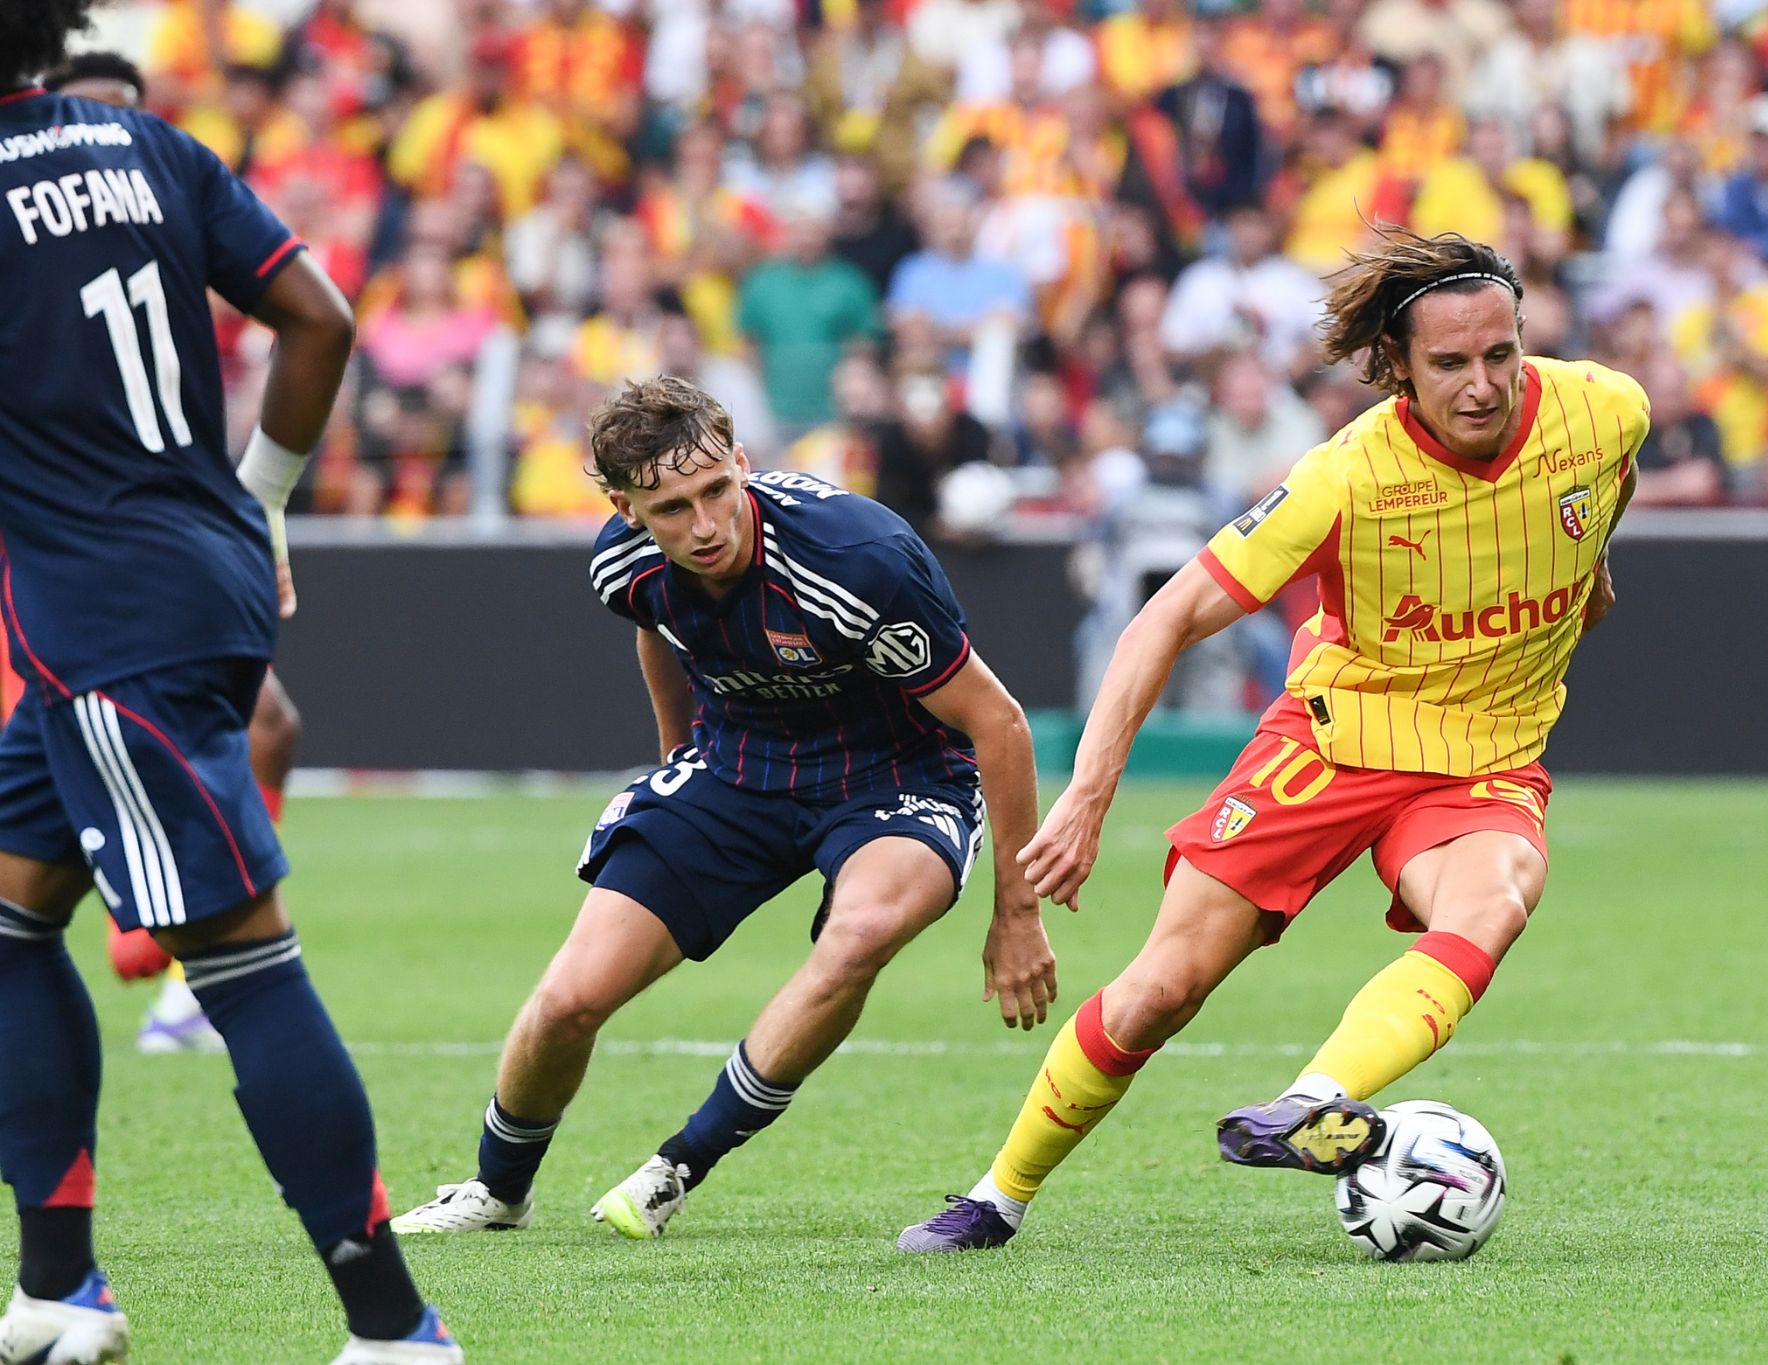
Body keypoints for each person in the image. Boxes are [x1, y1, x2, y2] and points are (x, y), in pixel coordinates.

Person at [898, 227, 1646, 1252]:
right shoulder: (1344, 477)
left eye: (1499, 354)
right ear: (1394, 368)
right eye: (1448, 364)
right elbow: (1162, 617)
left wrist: (1588, 575)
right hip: (1333, 741)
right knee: (1162, 987)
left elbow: (1601, 496)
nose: (1482, 385)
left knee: (1493, 899)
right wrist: (1087, 792)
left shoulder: (1605, 411)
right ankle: (997, 1195)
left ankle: (1314, 1103)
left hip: (1482, 756)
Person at [0, 6, 459, 1363]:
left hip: (105, 624)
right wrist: (258, 505)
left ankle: (393, 1327)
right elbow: (316, 316)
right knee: (11, 916)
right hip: (195, 571)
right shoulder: (148, 144)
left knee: (242, 960)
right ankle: (56, 1287)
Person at [392, 375, 1054, 1242]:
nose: (705, 526)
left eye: (716, 490)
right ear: (627, 509)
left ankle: (677, 1166)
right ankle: (495, 1189)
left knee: (856, 937)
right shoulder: (620, 566)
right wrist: (680, 760)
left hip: (898, 777)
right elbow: (656, 627)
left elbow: (999, 724)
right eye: (670, 508)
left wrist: (1016, 914)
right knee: (567, 1001)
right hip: (739, 765)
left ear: (742, 462)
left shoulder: (857, 561)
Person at [41, 48, 308, 1057]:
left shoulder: (162, 208)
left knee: (271, 723)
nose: (109, 136)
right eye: (91, 112)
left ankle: (186, 971)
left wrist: (253, 506)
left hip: (165, 531)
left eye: (127, 115)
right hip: (55, 543)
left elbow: (308, 320)